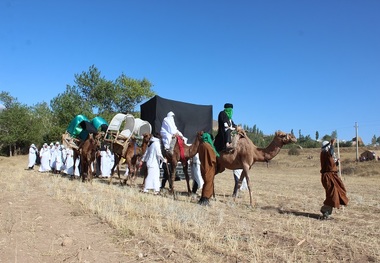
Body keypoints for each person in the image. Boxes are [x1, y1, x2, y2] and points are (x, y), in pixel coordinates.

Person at [320, 139, 349, 220]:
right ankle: (325, 211)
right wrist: (332, 144)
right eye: (329, 146)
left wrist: (336, 162)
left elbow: (331, 163)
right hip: (328, 177)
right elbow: (330, 152)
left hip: (332, 175)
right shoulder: (325, 153)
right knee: (332, 195)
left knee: (337, 192)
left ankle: (326, 211)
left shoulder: (327, 154)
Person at [197, 132, 219, 206]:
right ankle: (205, 199)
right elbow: (213, 158)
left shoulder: (201, 145)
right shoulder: (208, 146)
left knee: (206, 182)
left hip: (203, 166)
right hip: (209, 166)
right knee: (208, 182)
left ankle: (202, 198)